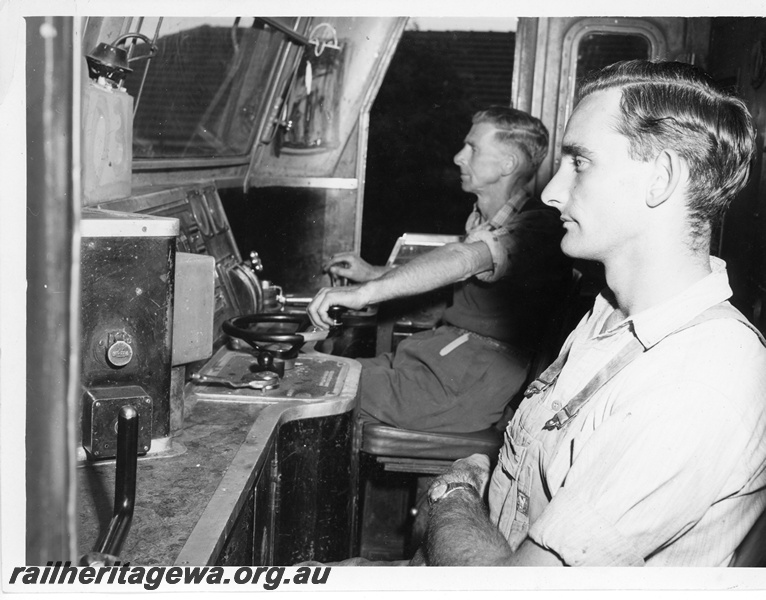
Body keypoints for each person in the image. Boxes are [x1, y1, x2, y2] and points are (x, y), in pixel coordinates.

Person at [421, 59, 766, 567]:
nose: (550, 191)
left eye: (580, 162)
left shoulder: (696, 384)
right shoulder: (609, 314)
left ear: (662, 178)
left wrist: (451, 499)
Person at [307, 106, 571, 433]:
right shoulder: (482, 220)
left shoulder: (537, 227)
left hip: (464, 385)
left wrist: (364, 293)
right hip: (442, 363)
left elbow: (464, 260)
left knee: (315, 380)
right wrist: (373, 274)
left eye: (473, 148)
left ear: (508, 164)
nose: (459, 157)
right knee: (320, 371)